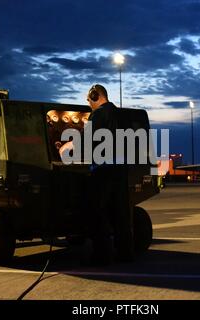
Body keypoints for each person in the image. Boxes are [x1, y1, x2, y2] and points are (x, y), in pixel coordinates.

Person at [61, 84, 134, 265]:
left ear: (95, 96)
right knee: (120, 214)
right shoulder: (120, 114)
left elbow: (86, 141)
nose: (88, 103)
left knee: (94, 211)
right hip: (121, 170)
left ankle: (102, 255)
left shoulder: (99, 114)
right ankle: (125, 254)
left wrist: (65, 146)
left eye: (88, 99)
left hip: (103, 171)